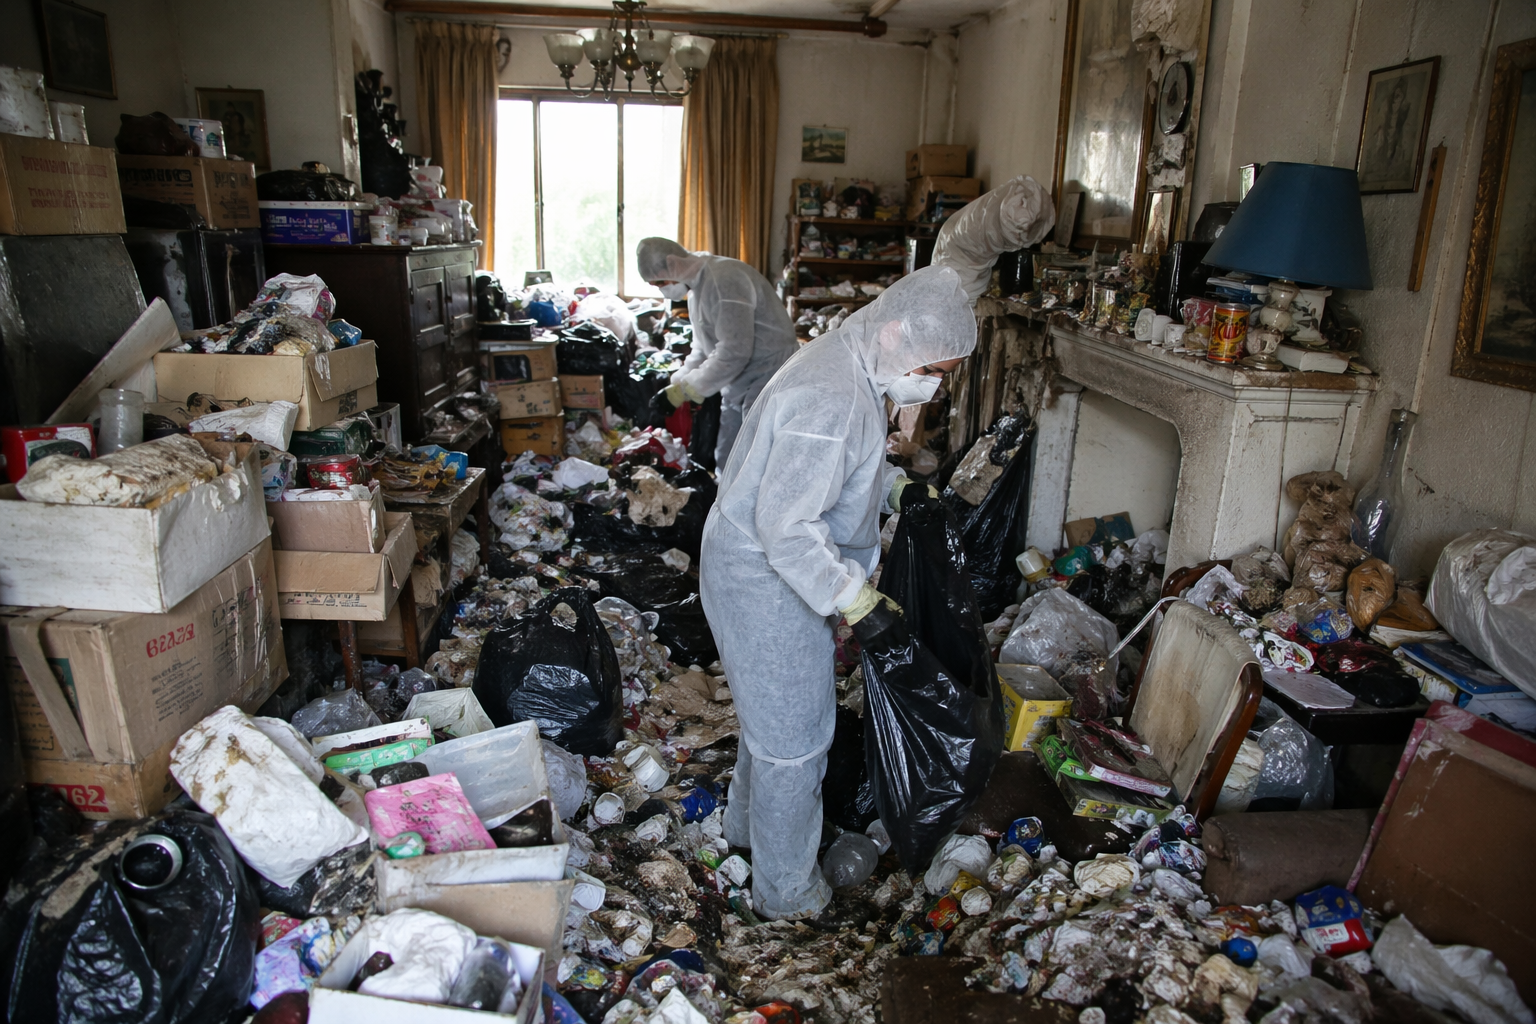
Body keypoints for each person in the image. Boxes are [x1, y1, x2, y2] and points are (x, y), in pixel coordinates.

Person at [697, 265, 976, 922]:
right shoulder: (832, 395)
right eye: (933, 369)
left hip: (766, 565)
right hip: (765, 579)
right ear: (897, 333)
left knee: (772, 723)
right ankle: (789, 897)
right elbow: (788, 527)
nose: (932, 386)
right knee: (796, 741)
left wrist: (893, 490)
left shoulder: (848, 365)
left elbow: (840, 469)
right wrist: (856, 598)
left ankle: (744, 836)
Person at [635, 237, 798, 467]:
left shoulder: (724, 280)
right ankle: (724, 499)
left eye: (661, 283)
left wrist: (684, 391)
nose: (663, 290)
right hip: (741, 377)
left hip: (770, 371)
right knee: (730, 454)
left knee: (759, 456)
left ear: (674, 264)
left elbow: (734, 350)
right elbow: (703, 348)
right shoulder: (697, 291)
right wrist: (676, 384)